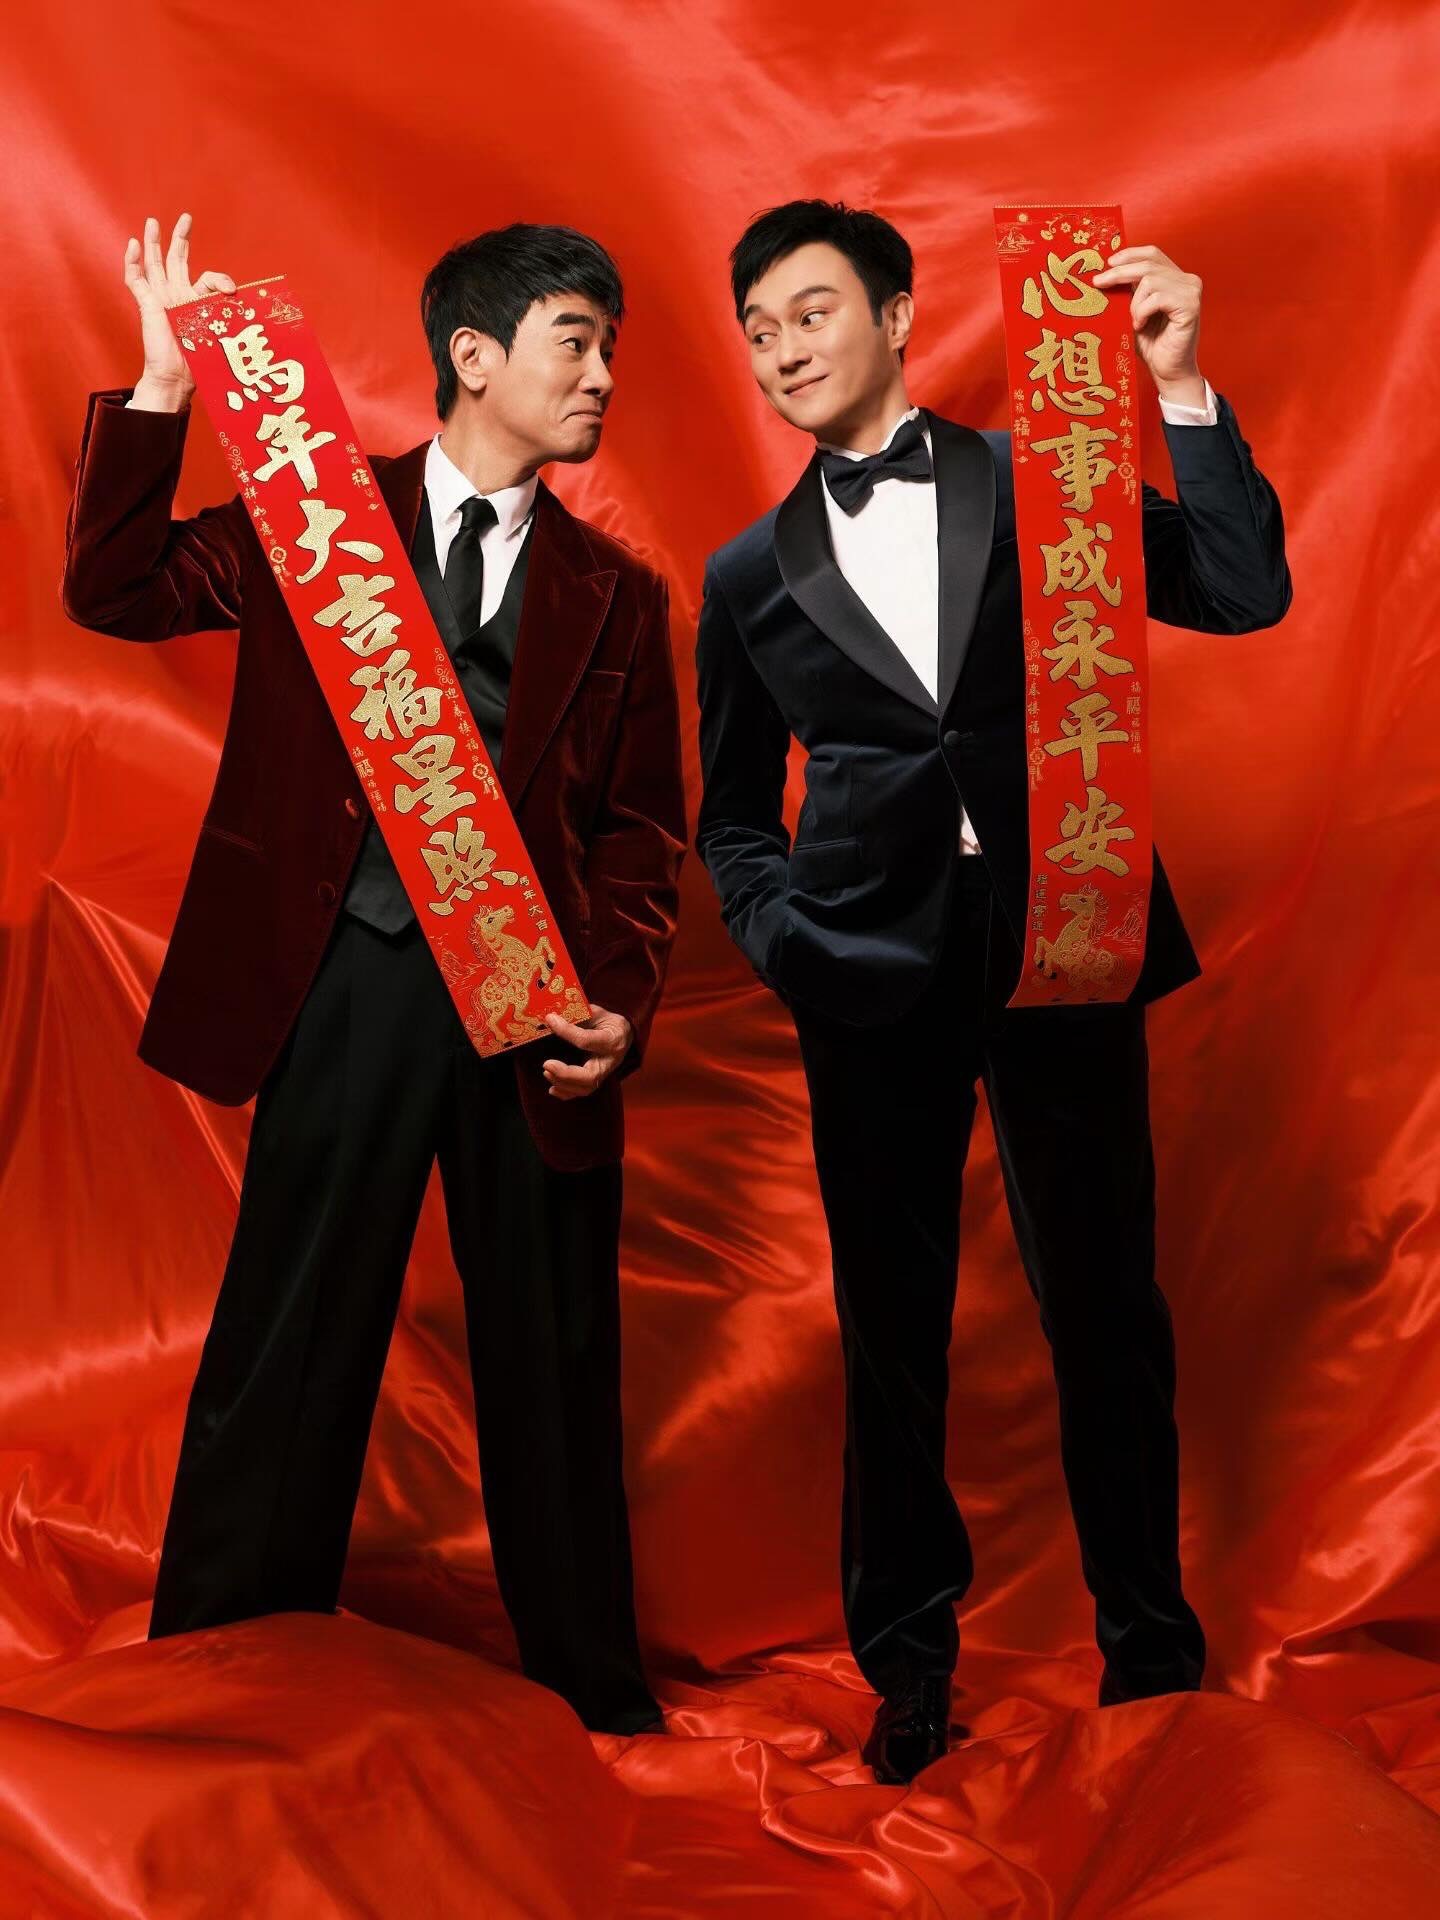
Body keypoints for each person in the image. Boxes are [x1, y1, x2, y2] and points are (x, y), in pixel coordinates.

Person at [62, 212, 686, 1736]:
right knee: (293, 1329)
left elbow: (642, 831)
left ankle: (592, 1692)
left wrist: (619, 1003)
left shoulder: (618, 592)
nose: (603, 377)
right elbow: (118, 586)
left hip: (533, 1005)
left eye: (609, 349)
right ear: (473, 355)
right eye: (575, 343)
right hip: (346, 975)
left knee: (553, 1351)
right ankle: (218, 1663)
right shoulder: (319, 520)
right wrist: (164, 383)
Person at [694, 199, 1291, 1783]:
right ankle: (907, 1666)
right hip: (864, 969)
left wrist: (1177, 384)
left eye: (811, 311)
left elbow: (1242, 590)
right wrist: (785, 937)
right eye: (758, 332)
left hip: (1066, 932)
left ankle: (1151, 1653)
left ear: (895, 313)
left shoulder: (1051, 480)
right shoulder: (746, 574)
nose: (782, 349)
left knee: (1107, 1307)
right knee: (889, 1334)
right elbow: (732, 814)